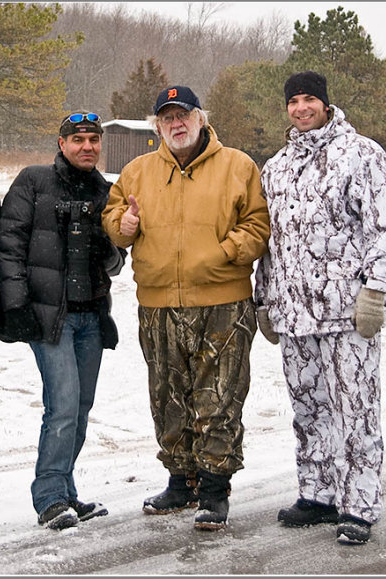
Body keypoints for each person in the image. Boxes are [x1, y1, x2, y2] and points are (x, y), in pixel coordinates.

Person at [102, 86, 270, 531]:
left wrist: (225, 253)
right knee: (168, 397)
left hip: (223, 305)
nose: (176, 124)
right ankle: (181, 481)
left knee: (219, 399)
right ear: (157, 126)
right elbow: (113, 222)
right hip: (158, 305)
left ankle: (214, 490)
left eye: (184, 115)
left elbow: (258, 224)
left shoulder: (238, 165)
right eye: (167, 118)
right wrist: (125, 224)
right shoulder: (137, 171)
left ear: (201, 118)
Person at [254, 71, 386, 544]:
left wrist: (375, 290)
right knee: (309, 410)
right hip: (295, 314)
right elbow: (270, 243)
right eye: (294, 101)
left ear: (325, 103)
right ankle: (318, 494)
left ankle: (359, 505)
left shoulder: (362, 155)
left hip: (347, 313)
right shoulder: (276, 167)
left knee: (355, 409)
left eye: (310, 100)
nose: (301, 108)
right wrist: (265, 299)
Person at [0, 111, 126, 531]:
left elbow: (116, 260)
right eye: (78, 139)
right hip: (53, 318)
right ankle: (49, 496)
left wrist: (115, 238)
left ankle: (67, 491)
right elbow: (8, 243)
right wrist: (17, 306)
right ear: (61, 143)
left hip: (92, 316)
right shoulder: (33, 182)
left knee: (81, 409)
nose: (87, 147)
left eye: (93, 140)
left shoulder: (106, 191)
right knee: (63, 405)